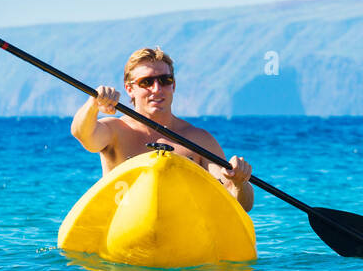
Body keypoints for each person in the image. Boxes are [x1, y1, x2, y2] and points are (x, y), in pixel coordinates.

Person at [69, 47, 254, 212]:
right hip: (123, 237)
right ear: (129, 89)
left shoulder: (198, 139)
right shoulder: (114, 130)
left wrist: (240, 183)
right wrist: (93, 104)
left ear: (173, 85)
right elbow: (81, 133)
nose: (157, 89)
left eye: (165, 80)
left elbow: (239, 205)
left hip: (182, 236)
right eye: (146, 82)